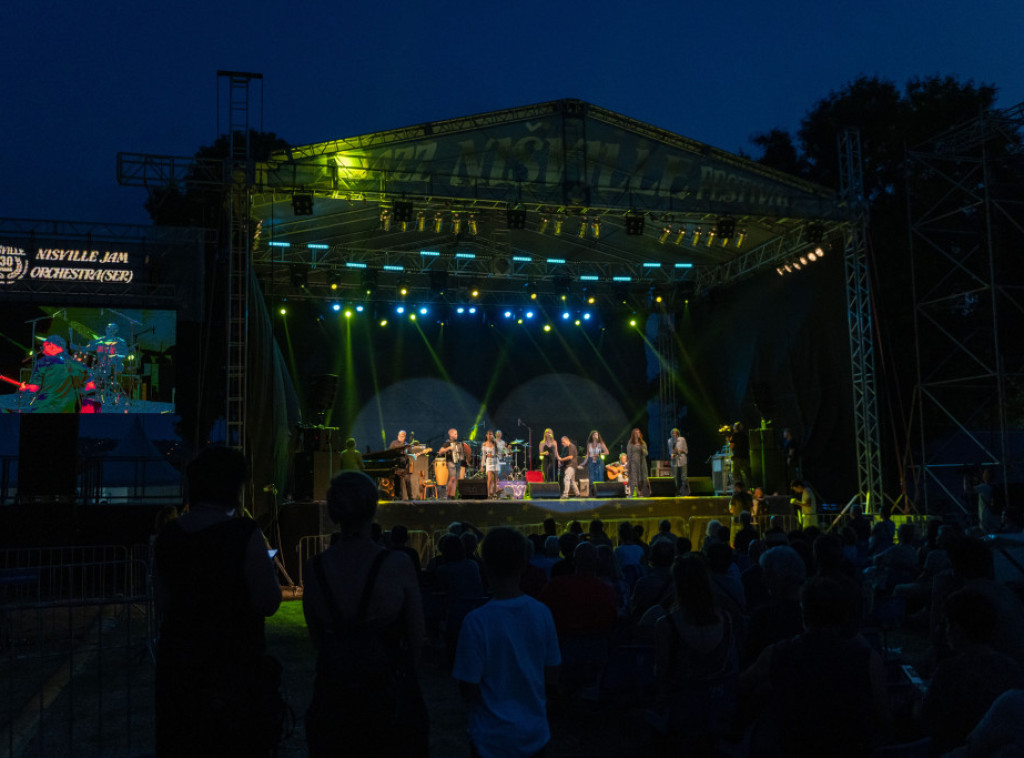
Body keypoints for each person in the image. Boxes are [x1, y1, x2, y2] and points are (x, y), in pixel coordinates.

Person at [153, 447, 283, 757]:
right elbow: (268, 601)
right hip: (234, 667)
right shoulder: (243, 534)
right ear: (234, 488)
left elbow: (163, 602)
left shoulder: (169, 536)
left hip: (181, 668)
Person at [302, 470, 428, 757]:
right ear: (373, 507)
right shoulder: (397, 564)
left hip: (333, 689)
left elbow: (317, 637)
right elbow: (416, 633)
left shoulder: (314, 567)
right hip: (384, 690)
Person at [453, 528, 561, 758]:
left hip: (490, 738)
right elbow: (552, 672)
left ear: (484, 563)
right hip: (534, 732)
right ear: (524, 563)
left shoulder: (476, 621)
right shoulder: (542, 613)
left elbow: (467, 686)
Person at [19, 335, 90, 413]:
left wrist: (26, 387)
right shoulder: (78, 366)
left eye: (43, 348)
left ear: (51, 345)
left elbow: (35, 388)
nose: (42, 351)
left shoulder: (43, 362)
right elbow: (89, 387)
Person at [438, 428, 466, 499]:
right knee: (452, 478)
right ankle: (448, 494)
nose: (457, 435)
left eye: (457, 434)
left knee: (455, 478)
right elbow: (440, 451)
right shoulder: (447, 443)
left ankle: (452, 494)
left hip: (457, 462)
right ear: (450, 435)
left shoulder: (458, 444)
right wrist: (449, 448)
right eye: (455, 434)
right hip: (450, 462)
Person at [626, 428, 650, 498]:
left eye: (638, 433)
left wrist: (642, 448)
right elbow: (629, 453)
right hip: (633, 462)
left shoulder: (643, 443)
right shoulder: (631, 442)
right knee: (633, 477)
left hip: (642, 463)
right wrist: (628, 462)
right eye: (636, 433)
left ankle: (643, 493)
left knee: (643, 477)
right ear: (633, 434)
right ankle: (634, 493)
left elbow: (646, 453)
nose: (637, 434)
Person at [389, 430, 412, 500]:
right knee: (397, 483)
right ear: (398, 436)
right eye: (400, 436)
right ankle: (397, 497)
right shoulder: (394, 443)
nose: (401, 437)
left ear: (405, 437)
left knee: (408, 482)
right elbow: (390, 453)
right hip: (397, 467)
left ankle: (410, 498)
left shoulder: (407, 445)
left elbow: (409, 455)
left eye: (403, 436)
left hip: (405, 467)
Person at [585, 430, 609, 495]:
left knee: (599, 475)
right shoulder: (589, 444)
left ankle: (600, 491)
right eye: (594, 435)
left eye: (597, 435)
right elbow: (587, 454)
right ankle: (592, 492)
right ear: (592, 436)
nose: (596, 436)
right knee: (592, 476)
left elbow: (607, 452)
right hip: (591, 461)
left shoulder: (601, 444)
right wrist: (583, 463)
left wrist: (599, 454)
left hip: (599, 461)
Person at [728, 422, 752, 489]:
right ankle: (750, 488)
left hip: (737, 457)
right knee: (747, 474)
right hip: (745, 457)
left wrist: (728, 441)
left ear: (735, 428)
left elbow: (731, 446)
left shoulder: (735, 435)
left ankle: (739, 488)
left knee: (736, 474)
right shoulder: (745, 435)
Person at [668, 428, 689, 496]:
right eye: (672, 433)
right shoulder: (669, 441)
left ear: (677, 434)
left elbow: (686, 450)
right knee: (674, 477)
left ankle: (684, 491)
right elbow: (670, 451)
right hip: (674, 460)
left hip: (682, 459)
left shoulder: (682, 439)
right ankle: (675, 491)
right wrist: (672, 454)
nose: (673, 434)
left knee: (683, 476)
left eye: (675, 433)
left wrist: (679, 451)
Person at [481, 430, 499, 499]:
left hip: (495, 461)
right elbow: (483, 456)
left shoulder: (495, 443)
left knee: (495, 479)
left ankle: (494, 493)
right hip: (489, 461)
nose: (490, 435)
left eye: (491, 434)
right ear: (486, 435)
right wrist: (482, 466)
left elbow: (499, 452)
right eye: (488, 434)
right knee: (490, 478)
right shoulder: (484, 444)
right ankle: (489, 494)